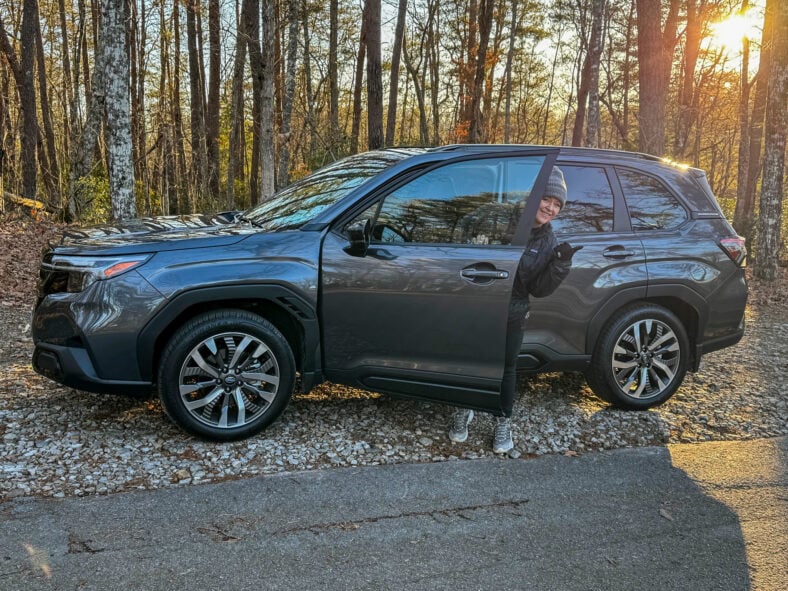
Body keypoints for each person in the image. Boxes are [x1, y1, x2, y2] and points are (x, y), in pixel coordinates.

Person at [448, 166, 581, 453]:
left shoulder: (548, 241)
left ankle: (503, 421)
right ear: (535, 196)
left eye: (558, 204)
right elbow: (466, 226)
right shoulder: (500, 215)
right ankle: (464, 409)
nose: (551, 208)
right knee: (468, 359)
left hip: (513, 310)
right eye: (548, 199)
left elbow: (539, 289)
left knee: (506, 368)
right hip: (478, 304)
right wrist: (473, 243)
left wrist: (561, 265)